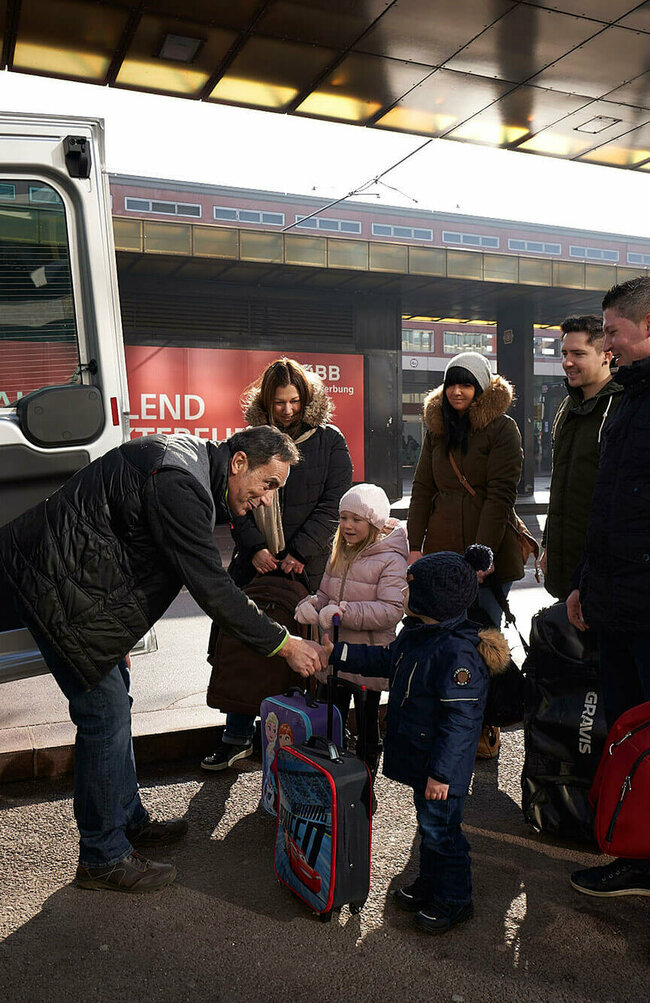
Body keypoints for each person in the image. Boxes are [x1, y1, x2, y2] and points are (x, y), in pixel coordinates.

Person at [0, 426, 324, 893]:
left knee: (115, 704)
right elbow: (212, 587)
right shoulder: (181, 486)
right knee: (104, 713)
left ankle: (127, 819)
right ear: (238, 463)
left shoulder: (187, 464)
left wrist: (117, 638)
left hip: (72, 590)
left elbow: (117, 542)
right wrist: (284, 644)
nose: (268, 500)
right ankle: (102, 855)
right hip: (53, 588)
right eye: (268, 484)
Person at [322, 544, 510, 934]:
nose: (404, 595)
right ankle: (431, 883)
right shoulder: (418, 634)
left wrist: (442, 774)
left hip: (442, 770)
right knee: (429, 827)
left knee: (443, 832)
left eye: (410, 589)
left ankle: (456, 898)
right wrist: (339, 654)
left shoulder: (458, 653)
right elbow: (384, 661)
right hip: (423, 759)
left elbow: (460, 723)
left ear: (432, 599)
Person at [202, 357, 352, 772]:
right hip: (256, 565)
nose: (287, 409)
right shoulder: (249, 439)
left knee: (302, 652)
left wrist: (299, 553)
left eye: (294, 400)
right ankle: (235, 736)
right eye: (278, 402)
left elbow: (333, 504)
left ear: (307, 399)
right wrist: (254, 548)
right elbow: (234, 500)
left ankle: (296, 738)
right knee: (243, 644)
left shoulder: (329, 441)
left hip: (308, 567)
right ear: (265, 403)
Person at [567, 276, 650, 898]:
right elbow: (608, 506)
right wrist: (586, 585)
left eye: (614, 333)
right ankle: (637, 853)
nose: (609, 345)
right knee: (627, 732)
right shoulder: (627, 398)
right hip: (618, 602)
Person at [294, 483, 408, 779]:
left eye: (356, 520)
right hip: (334, 656)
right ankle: (335, 781)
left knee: (368, 728)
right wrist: (311, 605)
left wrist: (344, 612)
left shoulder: (390, 558)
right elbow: (324, 593)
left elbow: (390, 610)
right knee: (332, 724)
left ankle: (364, 785)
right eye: (343, 518)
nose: (347, 526)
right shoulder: (338, 552)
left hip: (367, 658)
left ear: (373, 523)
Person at [406, 351, 524, 630]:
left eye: (466, 385)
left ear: (481, 388)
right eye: (451, 385)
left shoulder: (502, 429)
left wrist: (482, 553)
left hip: (488, 549)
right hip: (441, 550)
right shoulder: (437, 429)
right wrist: (413, 546)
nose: (456, 392)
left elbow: (500, 496)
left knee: (483, 636)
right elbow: (422, 488)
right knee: (440, 632)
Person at [540, 315, 622, 600]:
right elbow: (560, 484)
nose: (567, 362)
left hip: (604, 572)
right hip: (566, 563)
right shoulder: (567, 406)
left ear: (606, 356)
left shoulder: (622, 407)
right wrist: (548, 544)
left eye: (578, 354)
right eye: (565, 353)